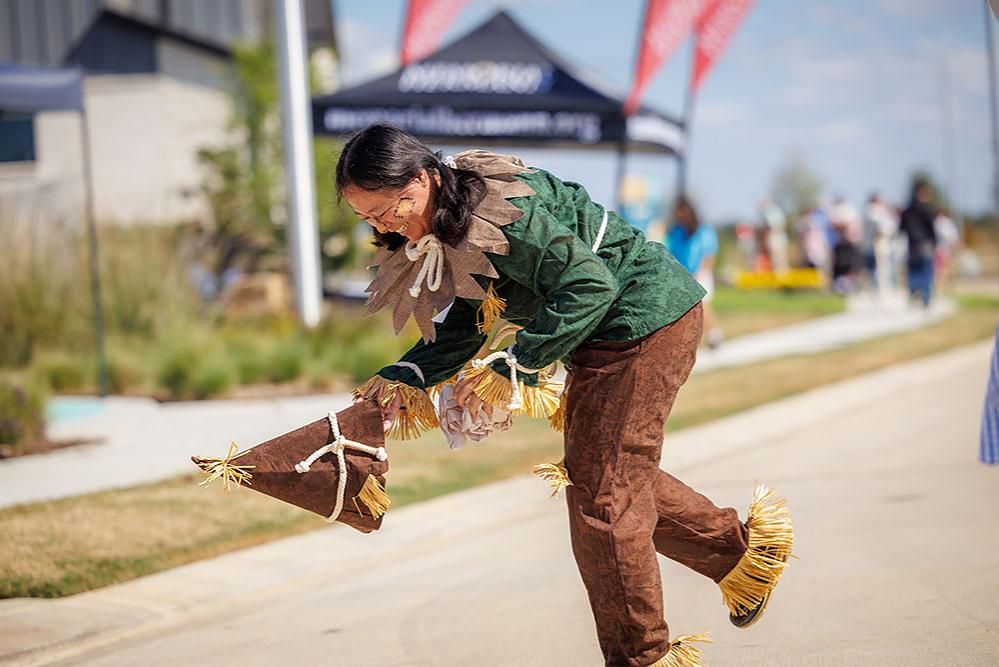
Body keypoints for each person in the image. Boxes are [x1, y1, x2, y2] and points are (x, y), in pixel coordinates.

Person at [336, 125, 794, 667]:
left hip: (646, 322)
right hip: (608, 334)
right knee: (606, 476)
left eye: (395, 206)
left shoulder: (499, 209)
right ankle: (737, 556)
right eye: (371, 218)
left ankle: (641, 657)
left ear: (424, 176)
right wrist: (403, 378)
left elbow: (590, 285)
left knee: (604, 497)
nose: (390, 225)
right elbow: (467, 320)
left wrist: (516, 364)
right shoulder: (449, 220)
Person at [667, 197, 724, 349]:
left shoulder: (704, 230)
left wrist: (701, 273)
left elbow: (709, 255)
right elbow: (671, 251)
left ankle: (714, 335)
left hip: (700, 274)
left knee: (703, 305)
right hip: (682, 274)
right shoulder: (676, 231)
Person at [898, 178, 938, 307]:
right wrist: (935, 242)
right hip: (925, 243)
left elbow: (901, 229)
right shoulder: (927, 209)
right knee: (926, 270)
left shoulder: (907, 210)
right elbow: (932, 228)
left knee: (913, 270)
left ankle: (913, 294)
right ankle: (925, 298)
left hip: (911, 244)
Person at [861, 192, 898, 299]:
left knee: (880, 268)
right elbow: (880, 227)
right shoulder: (872, 211)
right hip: (875, 244)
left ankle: (877, 288)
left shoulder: (879, 212)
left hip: (880, 245)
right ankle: (875, 288)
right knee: (875, 268)